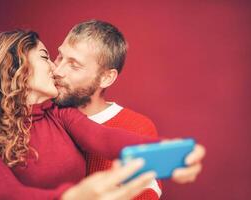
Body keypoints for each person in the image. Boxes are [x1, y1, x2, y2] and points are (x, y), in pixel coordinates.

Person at [0, 30, 201, 200]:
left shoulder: (59, 115)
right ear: (16, 67)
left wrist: (174, 153)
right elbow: (11, 196)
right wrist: (73, 196)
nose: (55, 68)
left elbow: (104, 139)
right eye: (46, 57)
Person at [53, 20, 205, 199]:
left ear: (106, 78)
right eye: (59, 57)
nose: (58, 71)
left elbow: (147, 191)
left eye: (74, 65)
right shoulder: (43, 115)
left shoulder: (136, 127)